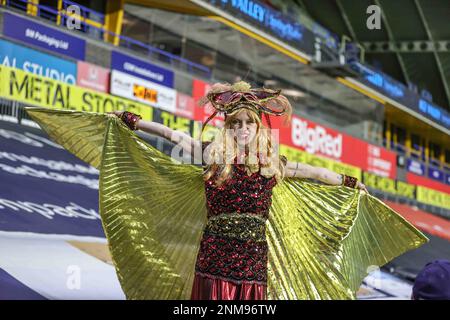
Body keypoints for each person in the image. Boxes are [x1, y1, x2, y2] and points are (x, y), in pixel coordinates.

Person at [25, 81, 428, 300]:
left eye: (248, 124)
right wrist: (131, 120)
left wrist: (349, 181)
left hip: (253, 257)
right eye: (234, 124)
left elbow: (312, 171)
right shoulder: (210, 157)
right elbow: (170, 134)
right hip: (214, 252)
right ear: (227, 127)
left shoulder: (273, 167)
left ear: (258, 128)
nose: (241, 129)